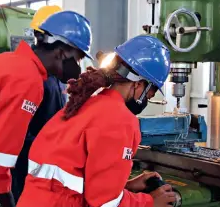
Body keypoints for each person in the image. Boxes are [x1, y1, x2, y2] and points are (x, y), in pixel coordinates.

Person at [0, 9, 93, 207]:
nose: (78, 66)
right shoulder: (28, 80)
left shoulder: (11, 61)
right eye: (77, 59)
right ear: (61, 53)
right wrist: (8, 203)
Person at [16, 35, 176, 207]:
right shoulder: (120, 119)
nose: (147, 100)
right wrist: (150, 202)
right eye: (150, 95)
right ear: (139, 85)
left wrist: (125, 186)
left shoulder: (84, 104)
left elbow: (67, 177)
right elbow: (104, 203)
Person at [10, 6, 70, 203]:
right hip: (27, 161)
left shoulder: (58, 75)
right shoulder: (28, 75)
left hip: (52, 159)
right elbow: (17, 130)